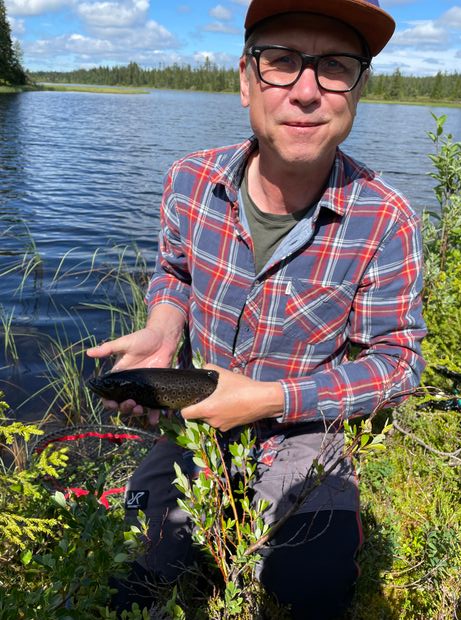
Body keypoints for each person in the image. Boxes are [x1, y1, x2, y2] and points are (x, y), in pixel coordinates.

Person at [87, 0, 426, 617]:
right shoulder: (189, 181)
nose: (307, 91)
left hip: (304, 433)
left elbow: (399, 364)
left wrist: (268, 398)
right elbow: (175, 273)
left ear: (359, 90)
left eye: (335, 66)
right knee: (133, 577)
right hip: (194, 422)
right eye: (282, 61)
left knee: (311, 590)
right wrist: (164, 326)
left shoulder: (387, 220)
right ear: (246, 80)